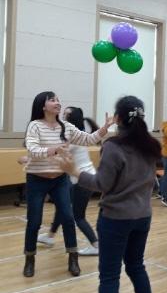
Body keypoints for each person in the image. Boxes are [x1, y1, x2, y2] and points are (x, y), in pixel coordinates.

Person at [56, 96, 161, 293]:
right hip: (142, 216)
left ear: (119, 118)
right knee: (136, 266)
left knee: (109, 276)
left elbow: (101, 183)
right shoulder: (151, 146)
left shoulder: (114, 147)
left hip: (116, 219)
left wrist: (74, 171)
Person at [23, 91, 111, 278]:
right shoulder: (35, 125)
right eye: (52, 100)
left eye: (58, 100)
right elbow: (32, 149)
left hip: (60, 180)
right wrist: (55, 149)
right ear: (42, 106)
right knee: (34, 222)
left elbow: (88, 139)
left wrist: (104, 128)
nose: (57, 103)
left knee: (68, 218)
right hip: (37, 180)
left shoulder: (66, 127)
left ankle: (73, 259)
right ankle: (30, 259)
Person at [37, 107, 101, 256]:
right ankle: (50, 236)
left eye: (66, 114)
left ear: (72, 118)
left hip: (82, 181)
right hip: (82, 179)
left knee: (78, 216)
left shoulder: (72, 137)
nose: (62, 116)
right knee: (62, 206)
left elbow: (54, 153)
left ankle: (96, 245)